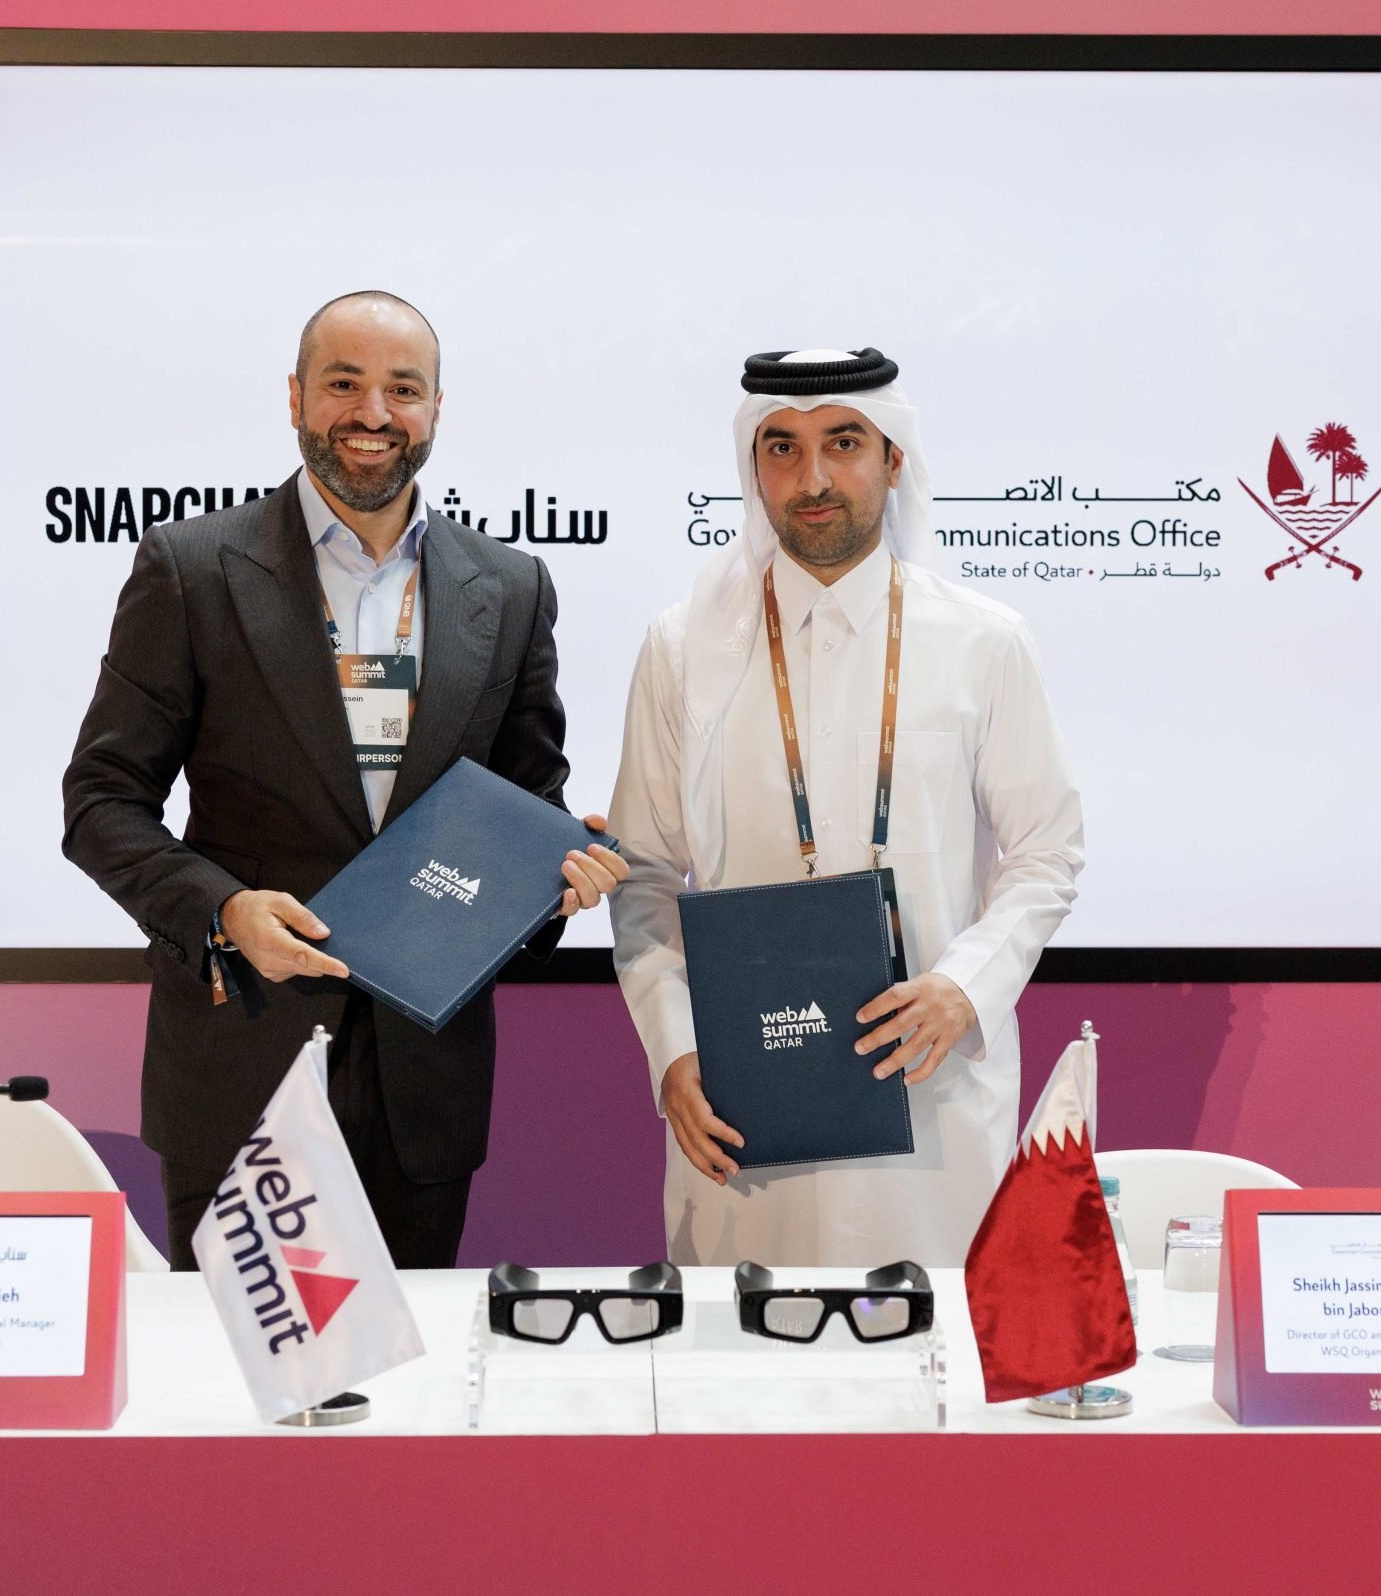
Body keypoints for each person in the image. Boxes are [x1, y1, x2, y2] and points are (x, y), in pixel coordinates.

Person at [63, 290, 626, 1270]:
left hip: (424, 1087)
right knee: (234, 1404)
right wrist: (224, 910)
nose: (372, 413)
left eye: (401, 389)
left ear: (436, 408)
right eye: (343, 384)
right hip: (240, 1060)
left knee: (404, 1405)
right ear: (295, 398)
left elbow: (529, 800)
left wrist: (560, 876)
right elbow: (101, 800)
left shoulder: (511, 586)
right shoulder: (193, 570)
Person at [608, 347, 1083, 1267]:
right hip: (741, 1110)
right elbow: (644, 874)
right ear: (753, 467)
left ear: (893, 457)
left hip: (930, 1098)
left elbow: (1046, 851)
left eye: (843, 443)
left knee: (929, 1377)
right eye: (781, 448)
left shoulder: (983, 642)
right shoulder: (681, 647)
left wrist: (964, 988)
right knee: (747, 1384)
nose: (812, 477)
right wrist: (672, 1054)